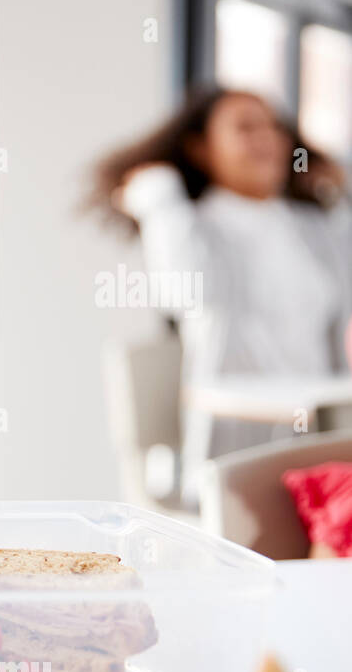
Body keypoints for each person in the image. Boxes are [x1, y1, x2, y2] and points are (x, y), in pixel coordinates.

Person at [91, 86, 352, 505]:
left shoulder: (314, 227)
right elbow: (182, 292)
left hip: (322, 441)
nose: (267, 137)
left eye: (274, 127)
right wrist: (160, 199)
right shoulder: (195, 225)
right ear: (201, 149)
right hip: (237, 450)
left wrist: (337, 193)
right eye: (246, 127)